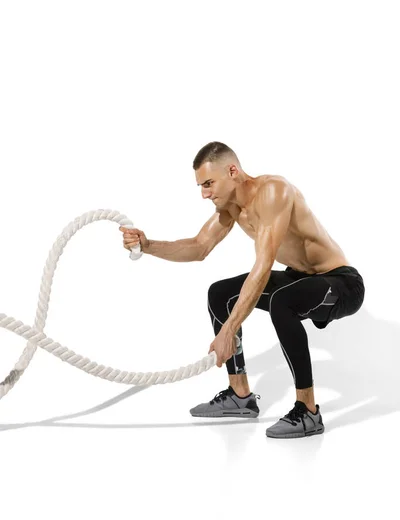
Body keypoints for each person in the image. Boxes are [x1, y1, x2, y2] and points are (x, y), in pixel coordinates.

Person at [119, 141, 365, 439]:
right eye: (201, 186)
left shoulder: (274, 192)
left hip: (339, 283)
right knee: (220, 293)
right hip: (299, 279)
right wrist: (147, 245)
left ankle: (309, 411)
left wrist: (229, 330)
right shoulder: (232, 207)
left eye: (209, 183)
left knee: (281, 301)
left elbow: (262, 266)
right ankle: (240, 395)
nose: (204, 193)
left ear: (232, 170)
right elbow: (198, 247)